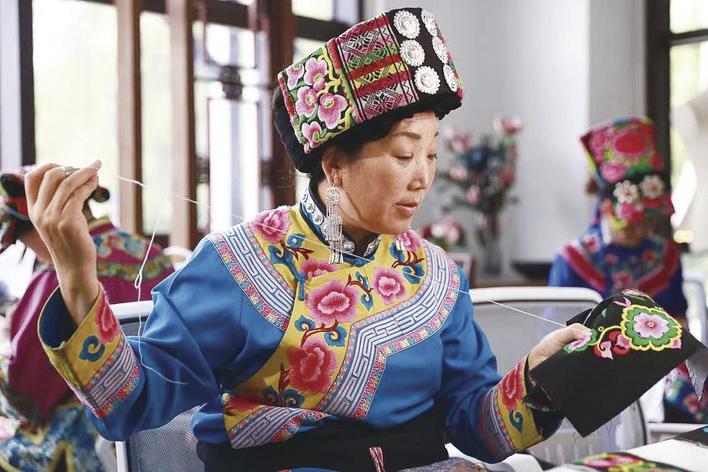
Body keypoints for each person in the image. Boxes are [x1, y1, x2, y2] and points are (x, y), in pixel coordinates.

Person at [28, 9, 590, 471]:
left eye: (432, 152)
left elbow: (476, 429)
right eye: (403, 153)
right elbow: (129, 403)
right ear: (335, 164)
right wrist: (77, 276)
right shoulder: (238, 265)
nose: (423, 177)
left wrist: (538, 381)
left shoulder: (437, 277)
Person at [0, 169, 174, 471]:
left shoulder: (61, 276)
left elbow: (26, 390)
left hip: (89, 437)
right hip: (160, 431)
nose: (35, 252)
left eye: (26, 241)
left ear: (45, 224)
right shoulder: (152, 254)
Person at [548, 116, 706, 423]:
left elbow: (680, 318)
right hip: (593, 374)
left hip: (662, 373)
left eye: (648, 221)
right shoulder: (572, 260)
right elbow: (556, 340)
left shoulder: (665, 255)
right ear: (606, 209)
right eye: (631, 223)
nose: (641, 230)